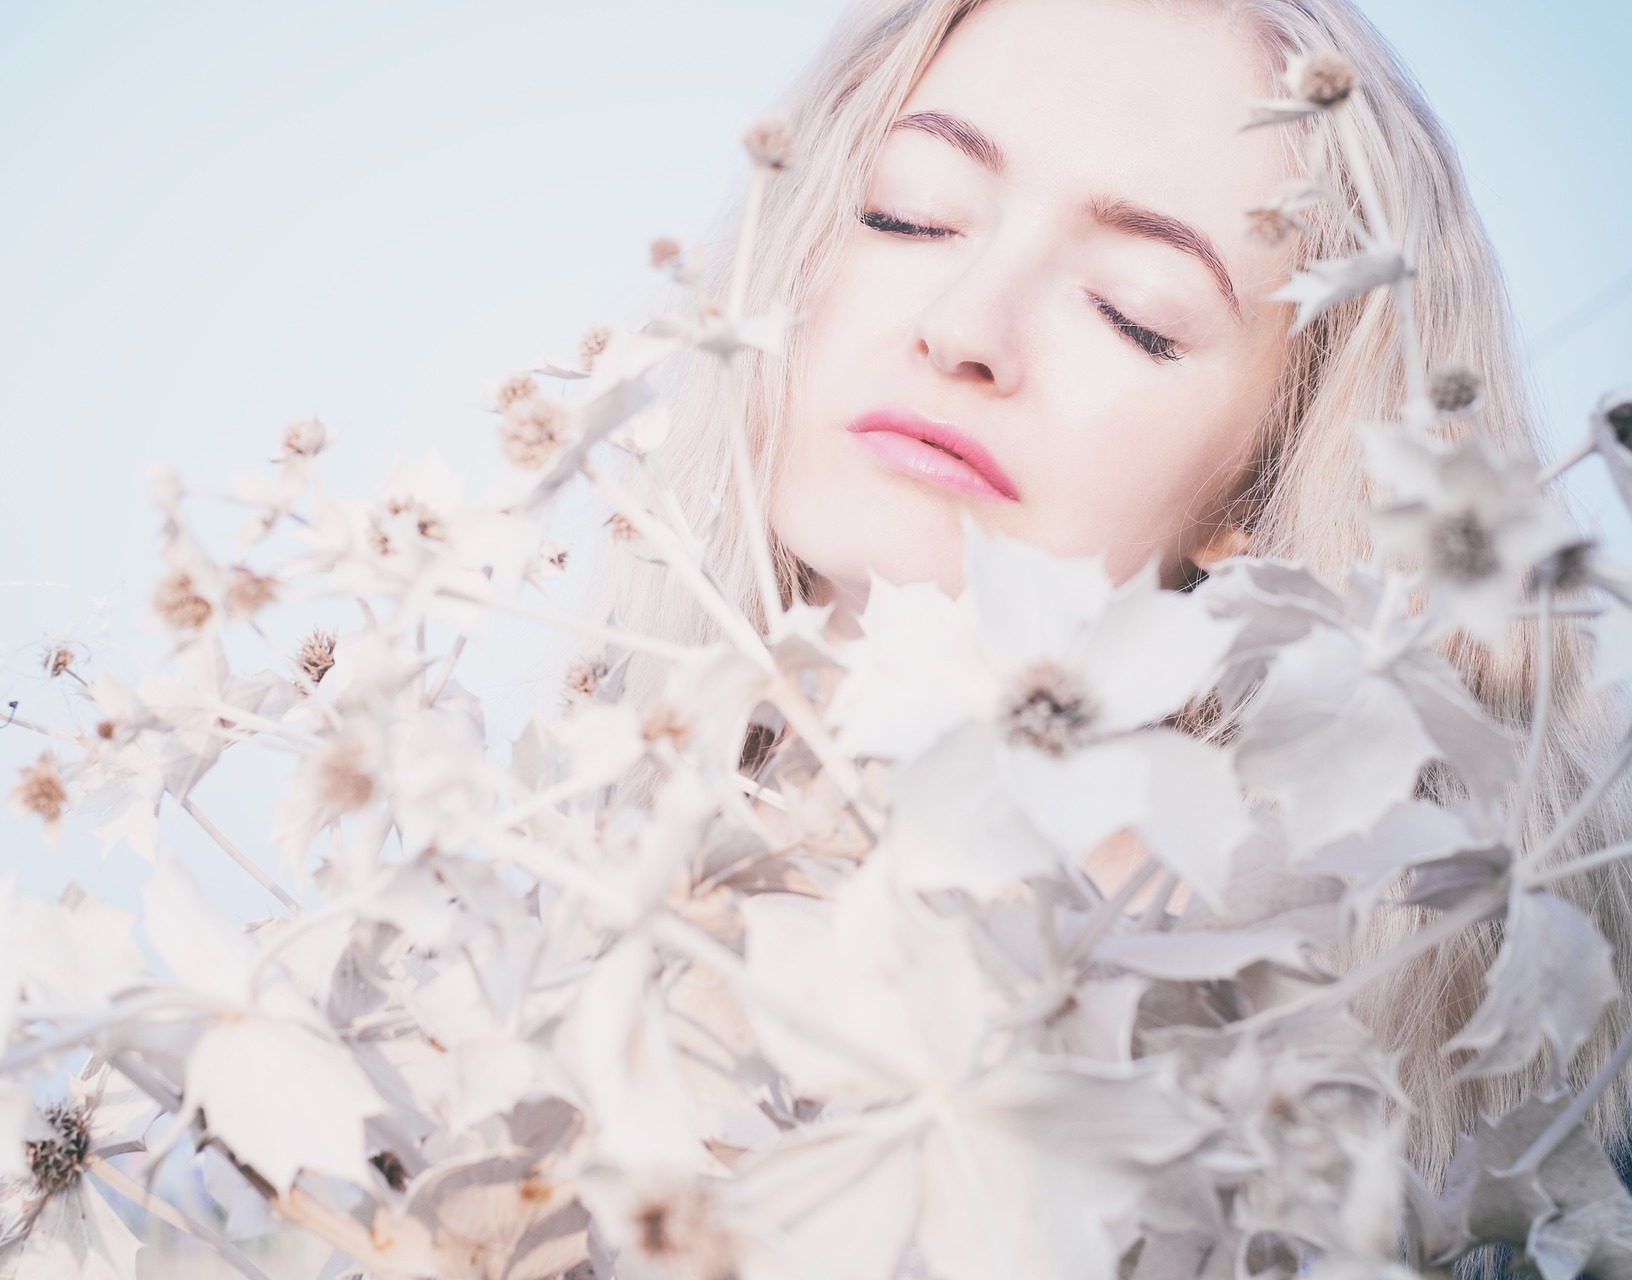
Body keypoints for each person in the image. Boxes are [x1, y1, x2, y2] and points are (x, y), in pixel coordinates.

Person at [593, 0, 1632, 1183]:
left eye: (1134, 313)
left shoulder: (1358, 1149)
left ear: (1267, 481)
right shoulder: (506, 928)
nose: (965, 326)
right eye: (910, 211)